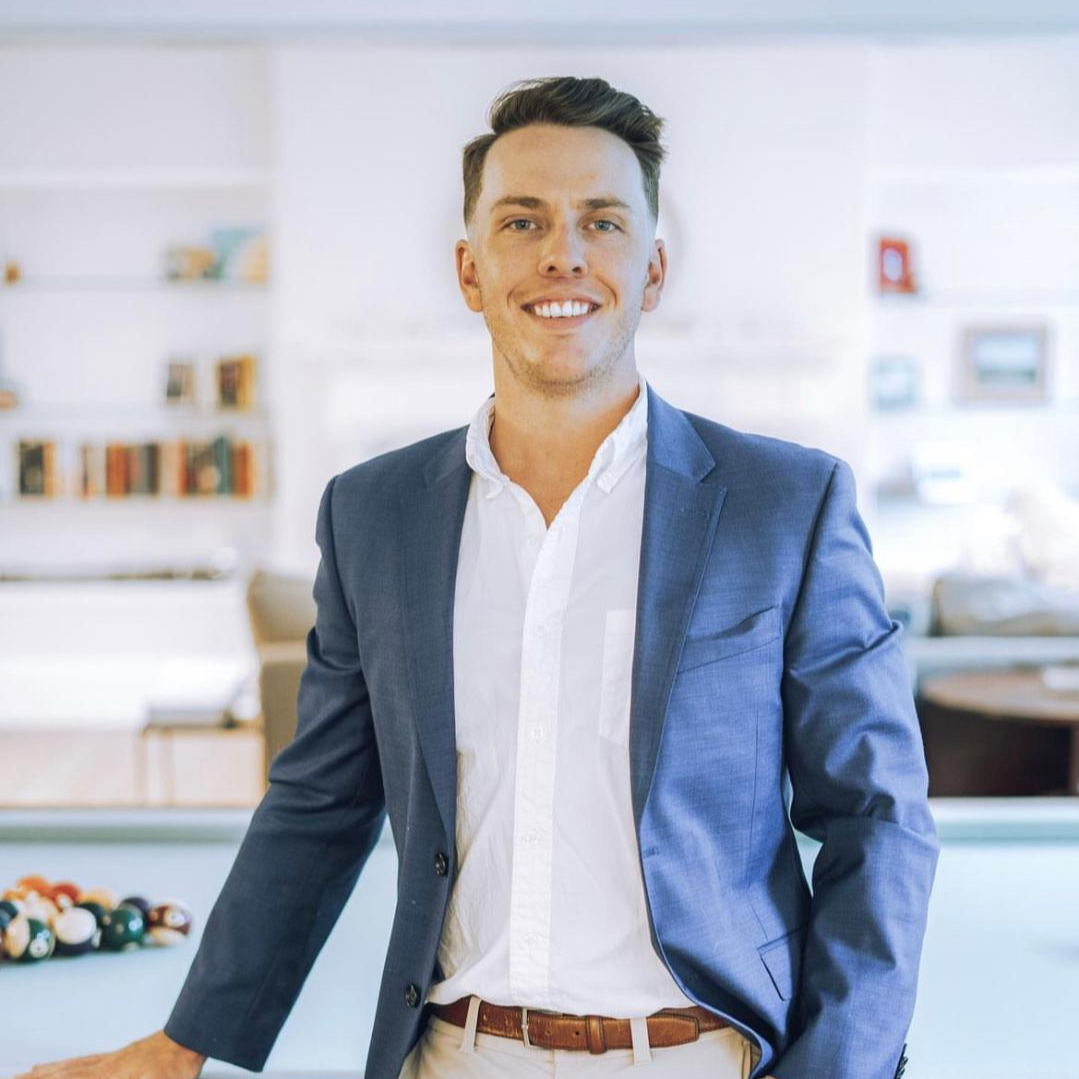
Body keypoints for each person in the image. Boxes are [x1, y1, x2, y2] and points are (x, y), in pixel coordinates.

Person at [18, 75, 938, 1079]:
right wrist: (183, 1042)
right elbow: (317, 804)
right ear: (469, 269)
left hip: (701, 1054)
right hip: (454, 1053)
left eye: (601, 221)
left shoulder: (786, 504)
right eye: (522, 221)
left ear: (653, 270)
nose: (563, 254)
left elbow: (876, 816)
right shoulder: (371, 514)